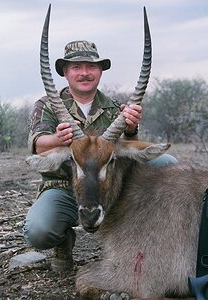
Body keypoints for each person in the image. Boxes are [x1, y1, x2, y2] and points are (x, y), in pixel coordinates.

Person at [23, 40, 177, 272]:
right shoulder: (47, 105)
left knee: (167, 164)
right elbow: (39, 147)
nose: (84, 73)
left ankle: (150, 238)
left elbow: (129, 157)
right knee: (39, 231)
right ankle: (63, 242)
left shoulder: (115, 109)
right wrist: (58, 139)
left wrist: (130, 129)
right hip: (64, 188)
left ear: (100, 71)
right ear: (65, 72)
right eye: (76, 67)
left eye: (91, 66)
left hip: (108, 187)